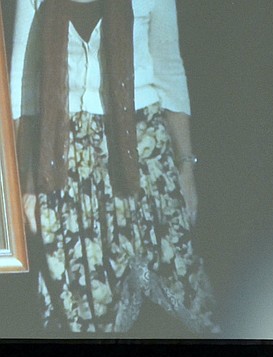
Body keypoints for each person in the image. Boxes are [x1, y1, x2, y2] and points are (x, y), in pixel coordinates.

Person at [9, 0, 218, 334]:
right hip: (63, 160)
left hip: (144, 156)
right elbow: (22, 85)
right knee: (82, 303)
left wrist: (186, 168)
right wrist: (27, 183)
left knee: (174, 286)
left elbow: (168, 70)